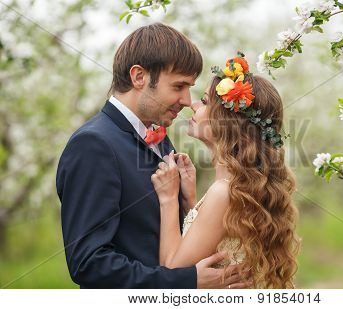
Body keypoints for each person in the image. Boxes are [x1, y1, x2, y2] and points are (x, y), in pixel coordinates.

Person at [56, 23, 247, 288]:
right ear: (139, 77)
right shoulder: (93, 145)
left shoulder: (162, 141)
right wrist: (184, 282)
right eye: (179, 86)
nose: (186, 100)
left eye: (189, 87)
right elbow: (89, 263)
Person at [151, 53, 300, 288]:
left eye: (205, 102)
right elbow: (218, 240)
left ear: (228, 121)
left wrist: (168, 199)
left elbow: (173, 272)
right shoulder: (238, 187)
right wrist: (191, 202)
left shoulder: (224, 191)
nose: (193, 104)